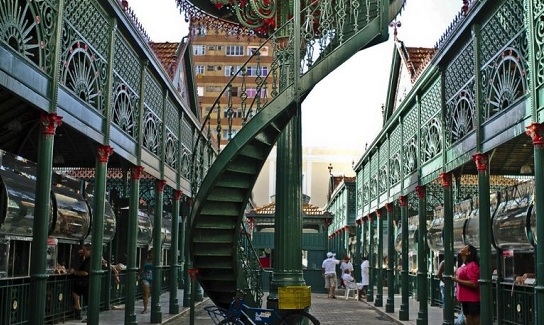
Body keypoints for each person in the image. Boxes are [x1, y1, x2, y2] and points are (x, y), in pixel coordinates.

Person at [453, 244, 480, 325]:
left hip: (472, 299)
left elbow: (474, 283)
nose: (462, 248)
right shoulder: (464, 264)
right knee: (468, 319)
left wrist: (457, 280)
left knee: (474, 320)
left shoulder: (472, 265)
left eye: (465, 247)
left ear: (468, 252)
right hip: (465, 298)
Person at [69, 244, 91, 321]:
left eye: (84, 250)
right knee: (76, 291)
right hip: (83, 283)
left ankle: (88, 316)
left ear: (89, 251)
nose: (83, 252)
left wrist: (75, 272)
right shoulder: (86, 259)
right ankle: (77, 308)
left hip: (85, 283)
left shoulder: (89, 260)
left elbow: (85, 272)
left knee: (88, 299)